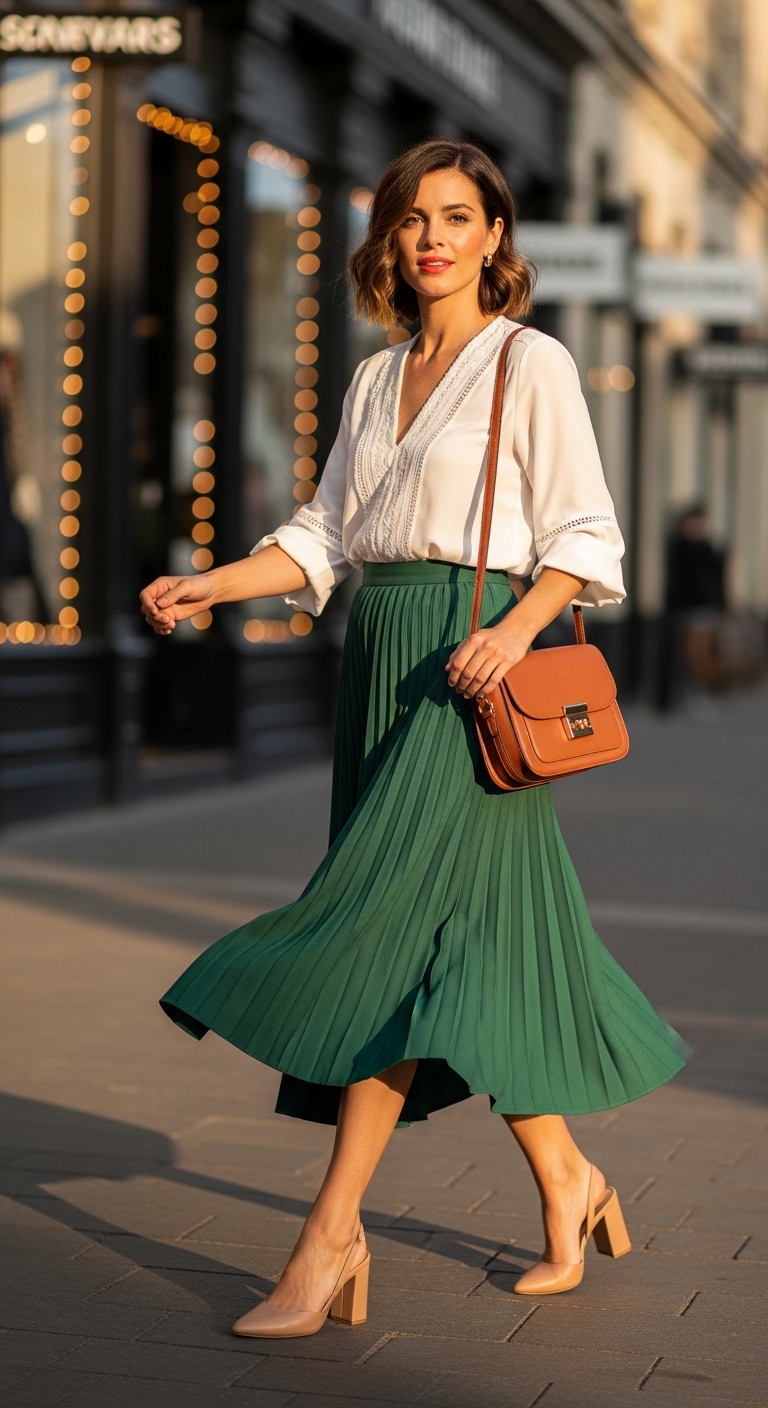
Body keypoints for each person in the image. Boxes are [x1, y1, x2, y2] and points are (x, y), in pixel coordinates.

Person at [140, 139, 686, 1336]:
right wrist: (212, 586)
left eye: (456, 216)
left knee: (377, 929)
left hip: (469, 660)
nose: (430, 237)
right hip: (381, 661)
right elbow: (326, 535)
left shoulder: (529, 364)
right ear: (388, 241)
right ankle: (568, 1180)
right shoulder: (377, 380)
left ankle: (330, 1239)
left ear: (496, 236)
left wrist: (520, 633)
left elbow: (588, 535)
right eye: (409, 219)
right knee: (460, 946)